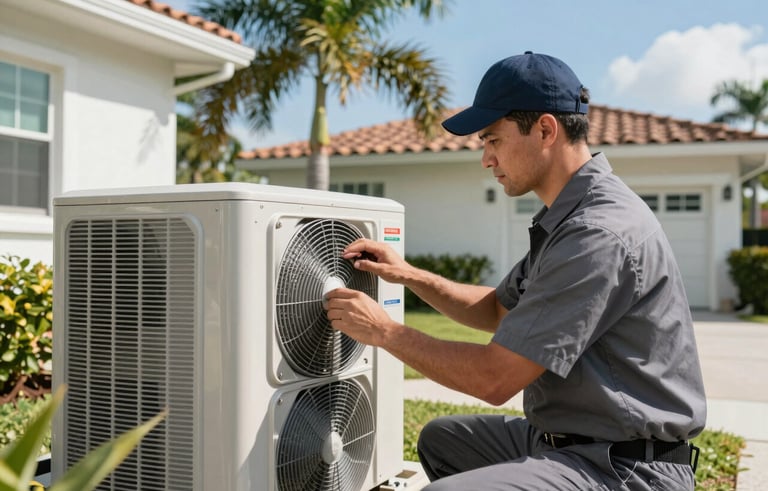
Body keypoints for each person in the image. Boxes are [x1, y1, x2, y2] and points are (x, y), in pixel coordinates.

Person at [324, 51, 706, 490]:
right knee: (443, 439)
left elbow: (494, 378)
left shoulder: (597, 233)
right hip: (569, 443)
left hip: (627, 468)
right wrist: (408, 275)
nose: (486, 159)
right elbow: (497, 311)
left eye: (493, 140)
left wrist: (384, 332)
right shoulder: (567, 216)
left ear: (545, 129)